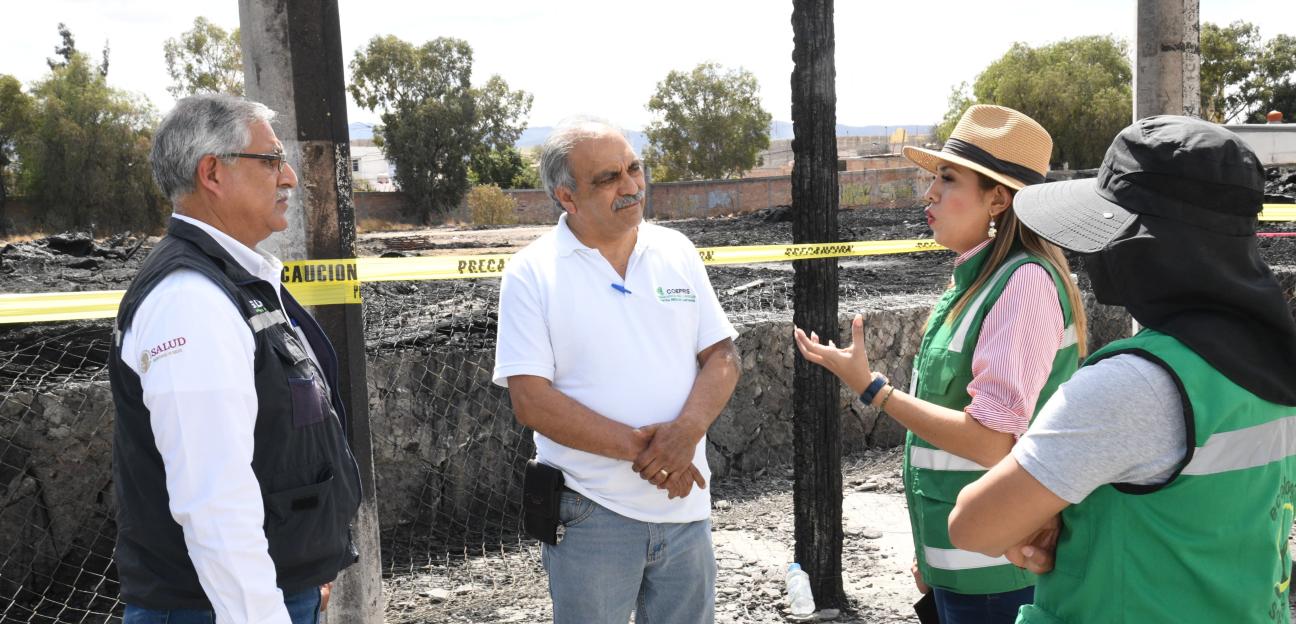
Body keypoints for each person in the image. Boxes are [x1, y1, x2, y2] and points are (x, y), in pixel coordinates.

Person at [948, 116, 1296, 623]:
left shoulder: (1136, 383)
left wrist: (1040, 519)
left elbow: (974, 527)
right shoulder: (1272, 361)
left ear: (1143, 245)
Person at [795, 105, 1088, 623]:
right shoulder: (974, 283)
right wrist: (928, 553)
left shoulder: (1022, 284)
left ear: (998, 198)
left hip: (1002, 573)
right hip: (965, 565)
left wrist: (873, 389)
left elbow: (989, 440)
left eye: (947, 179)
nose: (928, 193)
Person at [108, 94, 361, 623]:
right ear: (212, 173)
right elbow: (213, 499)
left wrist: (302, 575)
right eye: (270, 160)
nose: (288, 176)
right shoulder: (190, 299)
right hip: (212, 608)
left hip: (261, 593)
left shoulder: (233, 280)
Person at [492, 119, 740, 623]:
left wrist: (685, 433)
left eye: (634, 169)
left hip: (686, 510)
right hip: (590, 513)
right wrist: (655, 452)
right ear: (567, 196)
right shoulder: (532, 272)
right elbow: (531, 401)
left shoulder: (677, 251)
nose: (630, 186)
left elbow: (723, 357)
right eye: (607, 178)